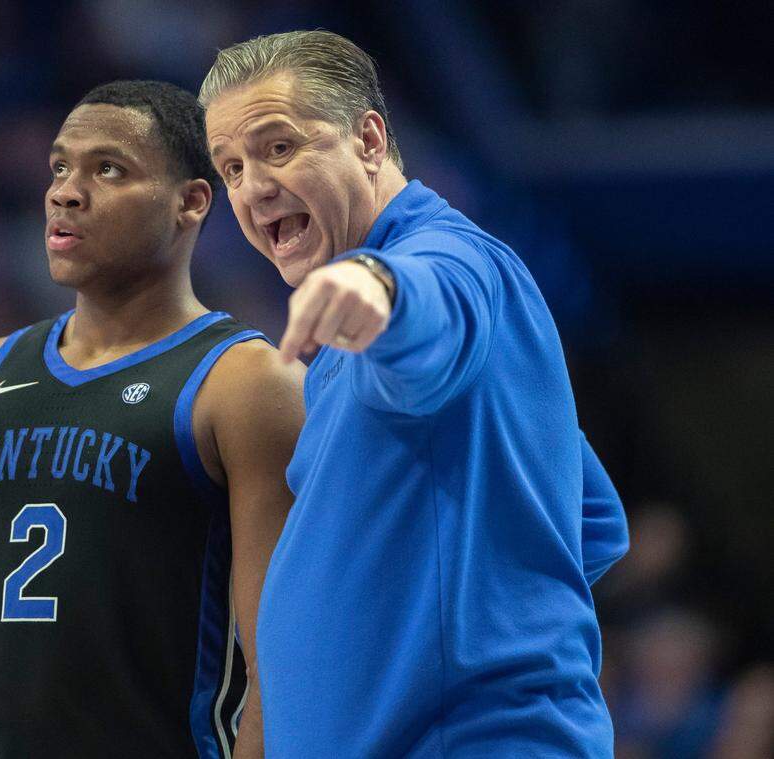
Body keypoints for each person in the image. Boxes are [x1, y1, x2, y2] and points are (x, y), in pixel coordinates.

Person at [201, 30, 629, 757]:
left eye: (278, 148)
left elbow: (431, 299)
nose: (253, 187)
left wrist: (378, 288)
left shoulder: (444, 258)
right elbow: (588, 520)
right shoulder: (344, 339)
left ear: (368, 139)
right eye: (231, 167)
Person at [0, 80, 303, 758]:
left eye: (108, 169)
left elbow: (281, 662)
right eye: (60, 167)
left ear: (190, 202)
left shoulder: (244, 383)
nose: (66, 191)